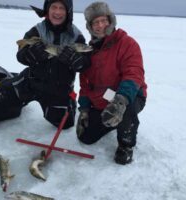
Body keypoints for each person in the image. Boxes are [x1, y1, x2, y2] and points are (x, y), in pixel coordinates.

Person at [0, 0, 91, 142]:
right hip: (31, 81)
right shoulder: (37, 30)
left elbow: (85, 64)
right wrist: (30, 55)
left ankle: (64, 107)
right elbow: (21, 55)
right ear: (47, 10)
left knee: (65, 124)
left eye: (61, 8)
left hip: (58, 89)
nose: (57, 12)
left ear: (68, 11)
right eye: (53, 7)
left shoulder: (76, 36)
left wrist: (77, 61)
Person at [76, 2, 147, 165]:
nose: (100, 25)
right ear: (90, 27)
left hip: (130, 95)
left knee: (125, 108)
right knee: (86, 137)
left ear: (111, 20)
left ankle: (126, 144)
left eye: (103, 20)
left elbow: (133, 73)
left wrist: (119, 101)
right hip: (103, 98)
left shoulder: (127, 43)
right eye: (95, 22)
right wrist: (85, 108)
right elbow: (85, 84)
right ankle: (112, 121)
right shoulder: (89, 51)